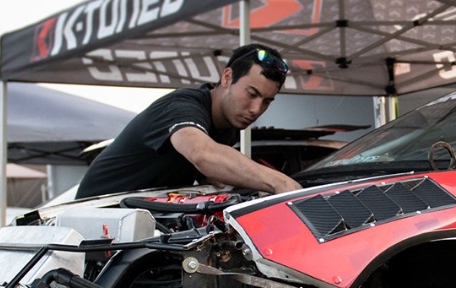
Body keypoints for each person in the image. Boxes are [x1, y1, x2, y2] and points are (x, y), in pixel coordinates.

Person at [75, 43, 300, 200]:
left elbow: (210, 169)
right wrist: (281, 183)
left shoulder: (226, 131)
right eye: (251, 94)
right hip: (91, 217)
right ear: (227, 77)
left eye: (267, 101)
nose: (256, 109)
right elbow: (202, 154)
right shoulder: (180, 107)